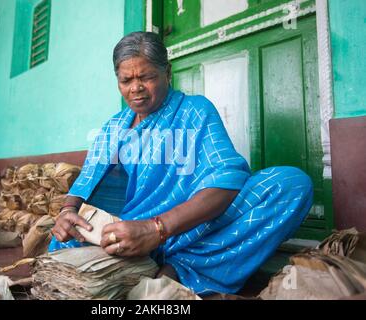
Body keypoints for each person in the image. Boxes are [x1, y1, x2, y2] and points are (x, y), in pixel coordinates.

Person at [49, 32, 313, 295]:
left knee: (291, 185)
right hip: (126, 237)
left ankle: (179, 270)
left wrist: (156, 229)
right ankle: (150, 275)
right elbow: (85, 183)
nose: (135, 88)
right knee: (62, 245)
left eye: (147, 77)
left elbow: (227, 178)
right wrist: (67, 213)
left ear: (168, 72)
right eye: (125, 80)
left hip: (191, 231)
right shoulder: (112, 128)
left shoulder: (195, 111)